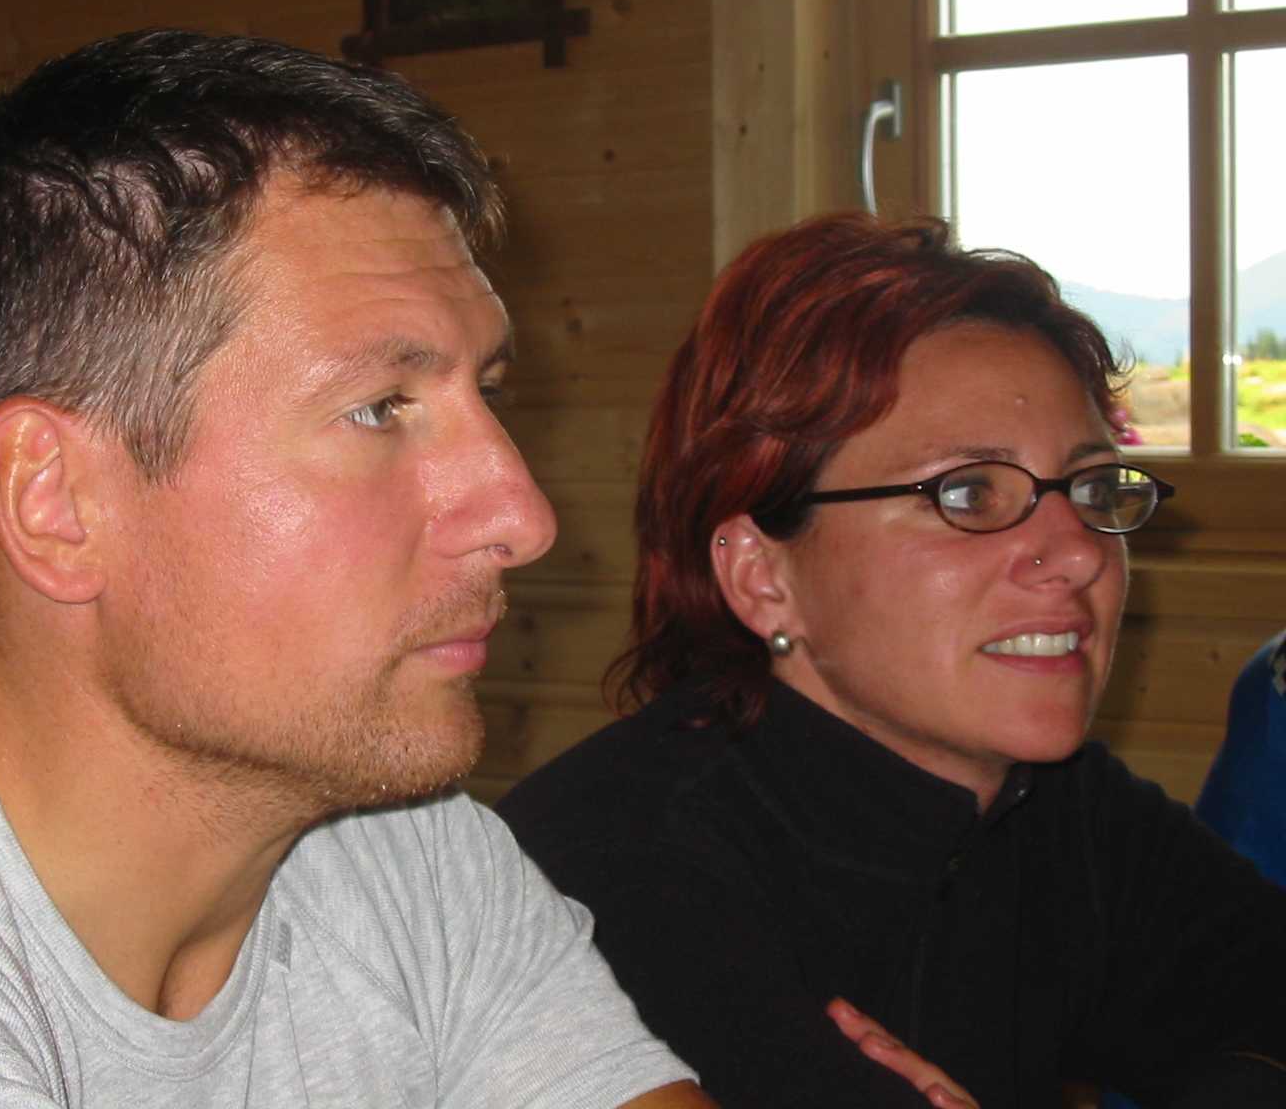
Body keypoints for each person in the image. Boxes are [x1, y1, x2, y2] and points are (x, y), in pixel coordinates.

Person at [0, 30, 708, 1107]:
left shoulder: (403, 854)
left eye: (486, 395)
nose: (524, 519)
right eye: (378, 408)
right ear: (56, 502)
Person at [498, 213, 1286, 1109]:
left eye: (1093, 486)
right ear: (763, 576)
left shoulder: (1054, 808)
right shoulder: (610, 881)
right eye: (969, 493)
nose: (1077, 552)